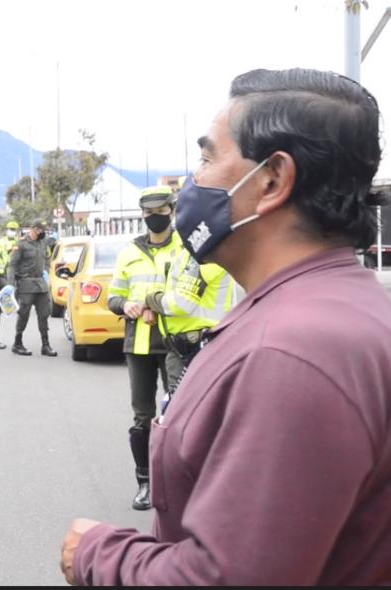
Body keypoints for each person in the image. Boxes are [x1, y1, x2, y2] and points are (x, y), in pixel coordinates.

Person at [62, 68, 391, 586]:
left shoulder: (291, 352)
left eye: (207, 157)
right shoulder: (331, 309)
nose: (190, 183)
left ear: (272, 181)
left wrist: (98, 555)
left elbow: (226, 577)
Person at [106, 186, 180, 511]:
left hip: (177, 342)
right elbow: (113, 297)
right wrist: (126, 306)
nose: (154, 217)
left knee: (178, 414)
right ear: (142, 214)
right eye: (148, 213)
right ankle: (145, 483)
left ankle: (178, 483)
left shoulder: (186, 248)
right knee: (143, 416)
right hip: (138, 344)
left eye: (160, 211)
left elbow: (192, 294)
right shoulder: (128, 253)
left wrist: (158, 306)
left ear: (172, 210)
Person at [144, 242, 239, 397]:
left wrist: (150, 300)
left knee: (183, 411)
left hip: (196, 347)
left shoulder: (203, 256)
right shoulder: (189, 252)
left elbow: (180, 304)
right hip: (190, 348)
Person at [6, 219, 57, 357]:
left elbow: (48, 255)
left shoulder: (43, 242)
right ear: (33, 229)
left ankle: (45, 345)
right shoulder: (21, 244)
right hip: (26, 284)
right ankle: (17, 343)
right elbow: (12, 265)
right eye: (40, 230)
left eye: (43, 230)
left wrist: (46, 269)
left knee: (44, 314)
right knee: (24, 314)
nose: (42, 232)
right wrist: (10, 284)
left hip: (41, 284)